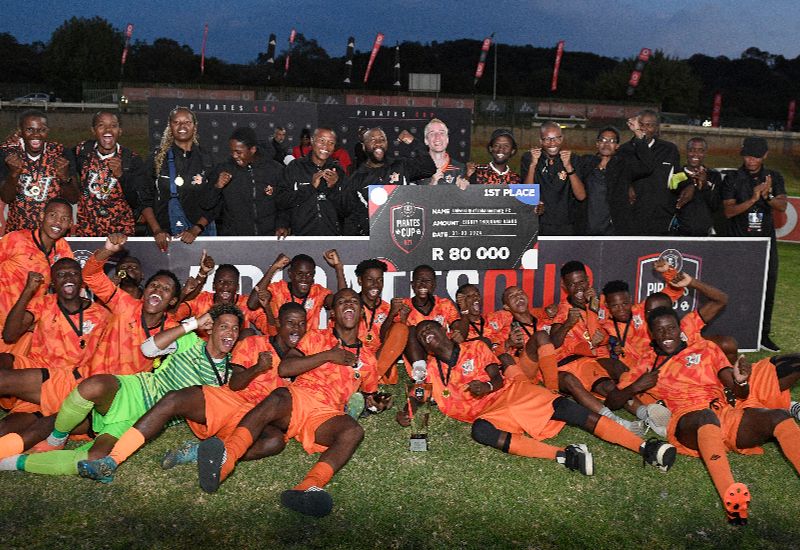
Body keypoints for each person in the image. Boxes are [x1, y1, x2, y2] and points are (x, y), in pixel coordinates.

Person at [194, 289, 405, 517]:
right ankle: (225, 461)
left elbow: (369, 394)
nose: (348, 304)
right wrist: (328, 355)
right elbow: (285, 368)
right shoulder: (315, 337)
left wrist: (376, 402)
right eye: (342, 301)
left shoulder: (368, 359)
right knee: (278, 396)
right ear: (333, 313)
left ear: (362, 312)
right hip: (299, 398)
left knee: (354, 431)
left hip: (326, 414)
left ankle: (308, 488)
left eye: (354, 301)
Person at [605, 307, 800, 525]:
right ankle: (731, 500)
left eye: (671, 328)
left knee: (778, 416)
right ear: (651, 333)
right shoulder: (647, 364)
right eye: (659, 330)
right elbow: (612, 402)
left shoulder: (706, 349)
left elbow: (740, 393)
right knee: (705, 416)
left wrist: (741, 381)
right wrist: (635, 387)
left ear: (679, 329)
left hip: (725, 414)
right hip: (688, 421)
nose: (666, 334)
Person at [75, 303, 308, 483]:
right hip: (227, 403)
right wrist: (257, 368)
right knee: (175, 398)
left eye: (235, 329)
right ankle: (111, 461)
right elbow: (236, 383)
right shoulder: (253, 344)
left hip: (250, 417)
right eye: (224, 327)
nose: (295, 329)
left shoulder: (306, 358)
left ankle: (201, 452)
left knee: (275, 442)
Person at [409, 320, 676, 476]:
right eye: (421, 336)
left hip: (511, 392)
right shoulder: (431, 369)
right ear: (424, 347)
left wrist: (487, 386)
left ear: (444, 330)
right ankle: (565, 455)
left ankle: (645, 447)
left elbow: (498, 378)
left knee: (567, 410)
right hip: (491, 413)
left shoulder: (475, 347)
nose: (425, 334)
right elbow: (420, 395)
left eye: (430, 328)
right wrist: (407, 412)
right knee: (481, 431)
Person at [8, 304, 241, 477]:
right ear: (211, 329)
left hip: (144, 420)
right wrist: (192, 324)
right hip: (134, 390)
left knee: (95, 457)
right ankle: (56, 439)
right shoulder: (190, 342)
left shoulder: (228, 375)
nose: (229, 333)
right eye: (223, 326)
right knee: (93, 385)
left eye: (235, 329)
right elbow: (148, 349)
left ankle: (12, 463)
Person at [0, 259, 110, 459]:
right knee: (4, 361)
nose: (68, 278)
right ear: (52, 283)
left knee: (4, 383)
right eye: (60, 274)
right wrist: (28, 291)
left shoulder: (102, 314)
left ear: (82, 280)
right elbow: (9, 335)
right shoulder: (43, 303)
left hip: (69, 382)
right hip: (36, 372)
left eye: (73, 273)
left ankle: (52, 419)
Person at [721, 136, 787, 353]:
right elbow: (729, 212)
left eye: (756, 156)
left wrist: (767, 195)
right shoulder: (732, 178)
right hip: (738, 241)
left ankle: (763, 334)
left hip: (765, 242)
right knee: (735, 286)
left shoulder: (774, 177)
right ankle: (734, 331)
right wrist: (753, 198)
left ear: (765, 155)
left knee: (768, 287)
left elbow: (782, 206)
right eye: (748, 156)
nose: (751, 160)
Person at [141, 106, 216, 252]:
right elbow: (144, 198)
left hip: (198, 236)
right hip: (163, 237)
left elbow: (215, 201)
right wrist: (157, 230)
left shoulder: (207, 159)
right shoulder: (156, 158)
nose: (182, 126)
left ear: (195, 126)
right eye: (176, 122)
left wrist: (196, 229)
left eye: (187, 122)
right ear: (170, 126)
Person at [0, 198, 74, 340]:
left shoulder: (63, 249)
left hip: (22, 328)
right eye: (53, 215)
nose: (58, 222)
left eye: (64, 219)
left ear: (70, 224)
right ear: (42, 216)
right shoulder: (16, 239)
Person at [342, 127, 435, 235]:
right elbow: (350, 214)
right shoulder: (357, 178)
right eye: (372, 140)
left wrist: (414, 143)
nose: (378, 143)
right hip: (377, 237)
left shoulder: (401, 165)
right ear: (364, 146)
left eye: (382, 139)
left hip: (404, 233)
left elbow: (429, 169)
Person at [69, 111, 146, 237]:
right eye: (101, 125)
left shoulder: (131, 159)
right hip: (86, 232)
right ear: (93, 131)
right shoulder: (82, 151)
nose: (108, 130)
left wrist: (121, 176)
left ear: (120, 131)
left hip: (120, 233)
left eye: (113, 126)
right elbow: (65, 161)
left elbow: (138, 201)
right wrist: (73, 183)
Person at [0, 110, 78, 233]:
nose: (36, 135)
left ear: (47, 131)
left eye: (41, 130)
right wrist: (14, 175)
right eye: (29, 129)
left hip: (52, 234)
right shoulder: (8, 153)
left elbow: (73, 198)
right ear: (20, 131)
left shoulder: (61, 153)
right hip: (18, 233)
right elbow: (6, 198)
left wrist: (64, 178)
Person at [206, 127, 288, 237]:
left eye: (238, 152)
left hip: (268, 238)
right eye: (232, 151)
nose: (234, 155)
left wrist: (282, 224)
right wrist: (217, 187)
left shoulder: (275, 170)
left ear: (252, 150)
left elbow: (284, 203)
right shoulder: (223, 170)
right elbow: (207, 205)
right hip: (235, 240)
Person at [618, 110, 685, 235]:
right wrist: (626, 186)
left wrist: (689, 185)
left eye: (649, 125)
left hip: (662, 217)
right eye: (641, 124)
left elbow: (677, 176)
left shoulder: (669, 149)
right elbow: (617, 178)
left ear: (656, 128)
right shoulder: (624, 150)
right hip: (634, 216)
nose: (644, 128)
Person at [177, 251, 269, 336]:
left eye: (230, 282)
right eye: (220, 281)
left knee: (248, 333)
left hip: (236, 347)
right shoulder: (202, 300)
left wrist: (268, 307)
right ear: (213, 286)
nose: (225, 286)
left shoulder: (245, 304)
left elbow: (270, 330)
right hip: (203, 347)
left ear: (237, 287)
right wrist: (201, 273)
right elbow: (174, 314)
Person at [248, 252, 345, 332]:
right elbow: (252, 304)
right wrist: (274, 267)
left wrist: (338, 267)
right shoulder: (278, 289)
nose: (304, 278)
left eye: (309, 274)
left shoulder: (318, 292)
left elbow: (343, 304)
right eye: (300, 273)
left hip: (307, 346)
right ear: (290, 274)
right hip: (279, 343)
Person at [278, 128, 346, 236]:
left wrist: (333, 187)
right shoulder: (295, 167)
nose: (326, 146)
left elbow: (346, 209)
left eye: (331, 143)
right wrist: (310, 187)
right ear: (312, 140)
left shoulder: (338, 171)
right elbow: (282, 200)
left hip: (332, 236)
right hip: (302, 235)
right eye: (322, 141)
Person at [521, 122, 586, 235]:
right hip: (539, 223)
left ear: (562, 139)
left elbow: (581, 196)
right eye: (547, 139)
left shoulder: (573, 159)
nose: (552, 143)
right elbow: (526, 196)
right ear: (541, 141)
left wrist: (568, 167)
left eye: (556, 138)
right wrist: (533, 165)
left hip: (566, 224)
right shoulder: (529, 158)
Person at [575, 126, 642, 235]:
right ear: (597, 143)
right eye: (603, 140)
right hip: (588, 229)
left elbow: (646, 166)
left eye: (611, 141)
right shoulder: (586, 163)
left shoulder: (623, 167)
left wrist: (639, 134)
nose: (606, 144)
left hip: (613, 230)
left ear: (617, 146)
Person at [669, 137, 722, 236]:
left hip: (705, 234)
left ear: (705, 153)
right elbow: (672, 202)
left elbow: (715, 205)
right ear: (686, 152)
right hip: (679, 233)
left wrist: (705, 185)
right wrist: (692, 184)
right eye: (692, 150)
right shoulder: (676, 174)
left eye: (700, 151)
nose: (695, 154)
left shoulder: (714, 176)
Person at [413, 119, 468, 187]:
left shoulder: (460, 168)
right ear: (426, 140)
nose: (437, 137)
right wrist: (432, 184)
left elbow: (463, 193)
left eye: (441, 133)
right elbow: (408, 193)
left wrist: (464, 190)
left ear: (447, 139)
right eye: (432, 134)